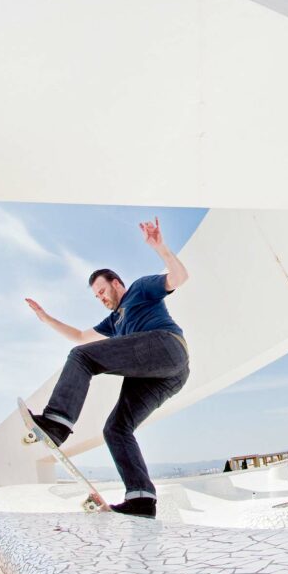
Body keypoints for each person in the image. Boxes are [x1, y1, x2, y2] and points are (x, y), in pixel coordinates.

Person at [25, 217, 189, 518]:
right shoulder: (114, 322)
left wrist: (160, 247)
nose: (101, 298)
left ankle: (58, 423)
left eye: (102, 291)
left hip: (166, 346)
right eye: (96, 296)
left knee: (82, 357)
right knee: (115, 429)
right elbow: (80, 335)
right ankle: (142, 498)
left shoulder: (141, 289)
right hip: (166, 376)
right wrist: (47, 319)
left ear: (116, 283)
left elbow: (178, 277)